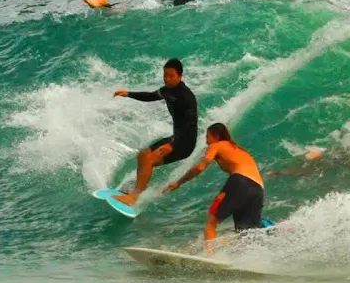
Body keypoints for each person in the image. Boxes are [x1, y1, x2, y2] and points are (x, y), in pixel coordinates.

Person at [164, 123, 265, 256]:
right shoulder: (239, 149)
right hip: (258, 188)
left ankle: (211, 257)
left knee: (211, 222)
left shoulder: (216, 145)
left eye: (207, 137)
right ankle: (253, 257)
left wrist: (179, 182)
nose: (206, 141)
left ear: (215, 136)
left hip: (241, 182)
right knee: (247, 231)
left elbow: (200, 167)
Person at [112, 58, 198, 206]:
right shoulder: (166, 91)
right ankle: (136, 192)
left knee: (150, 160)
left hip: (185, 142)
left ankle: (134, 198)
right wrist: (128, 93)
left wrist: (173, 145)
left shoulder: (186, 97)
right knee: (143, 155)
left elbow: (189, 126)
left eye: (171, 76)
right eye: (165, 75)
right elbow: (150, 96)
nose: (167, 79)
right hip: (176, 138)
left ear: (180, 76)